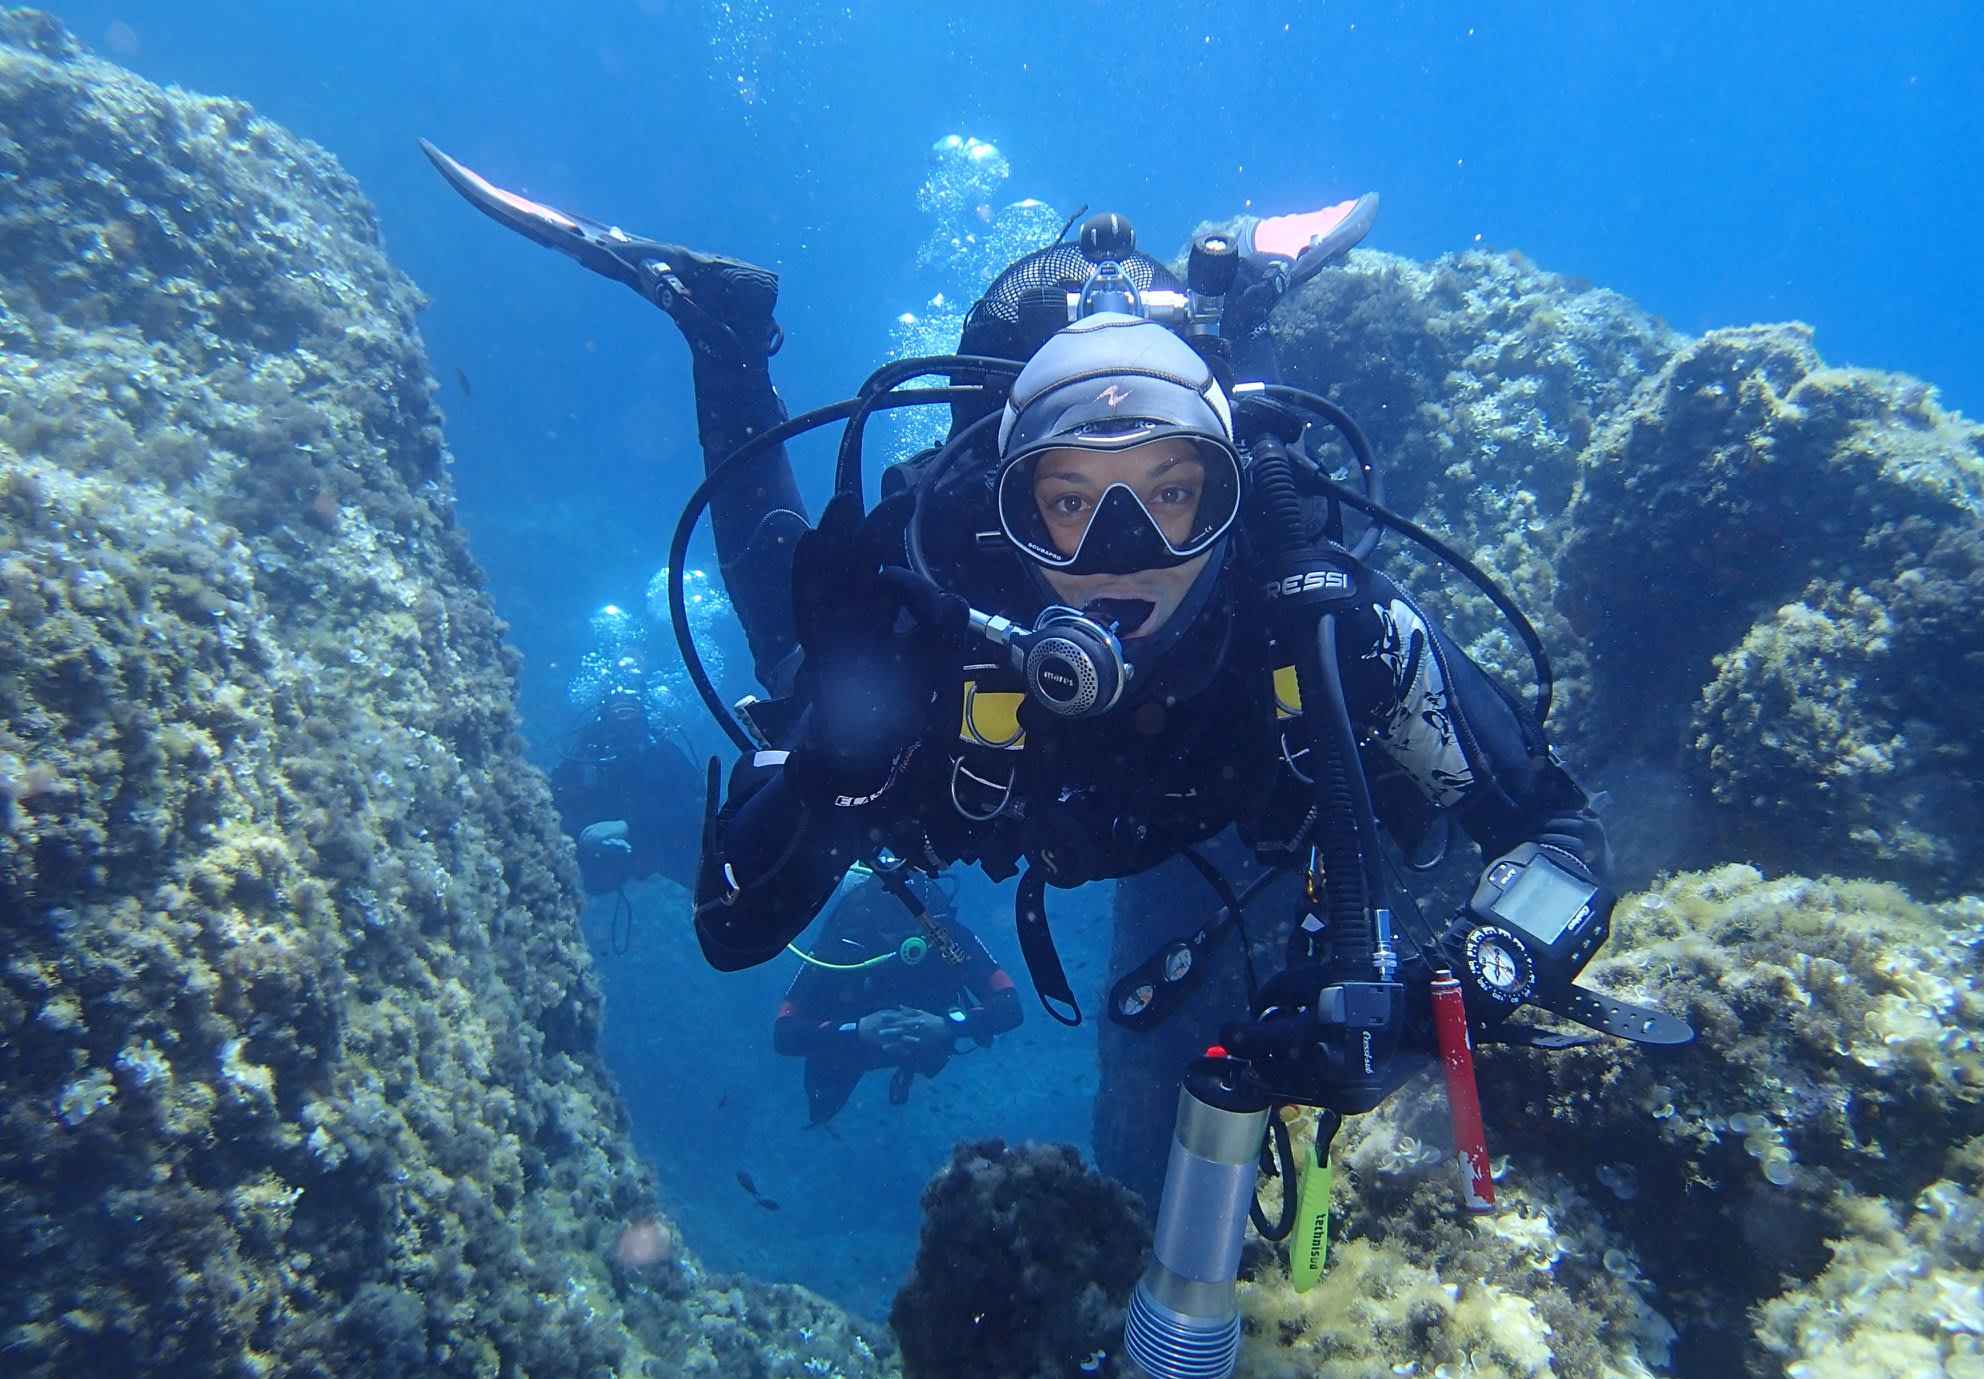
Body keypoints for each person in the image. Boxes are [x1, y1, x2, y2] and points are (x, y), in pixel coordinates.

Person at [425, 139, 1664, 1111]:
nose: (1123, 558)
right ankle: (726, 333)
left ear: (1229, 506)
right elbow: (734, 933)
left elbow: (1552, 837)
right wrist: (820, 774)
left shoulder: (1322, 628)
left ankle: (1233, 319)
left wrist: (1461, 980)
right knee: (795, 651)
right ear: (1005, 513)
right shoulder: (930, 629)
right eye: (1069, 505)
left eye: (1174, 497)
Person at [773, 867, 1021, 1125]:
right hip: (850, 1052)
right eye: (888, 922)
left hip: (925, 1055)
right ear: (868, 917)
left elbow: (1009, 1005)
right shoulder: (838, 947)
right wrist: (856, 1031)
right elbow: (784, 1033)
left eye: (907, 921)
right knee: (822, 1108)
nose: (899, 938)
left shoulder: (945, 936)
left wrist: (947, 1026)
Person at [549, 682, 703, 897]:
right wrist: (583, 836)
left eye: (631, 715)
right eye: (619, 714)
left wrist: (629, 826)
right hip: (599, 853)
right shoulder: (587, 754)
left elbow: (695, 809)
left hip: (660, 846)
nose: (625, 726)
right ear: (604, 722)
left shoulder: (663, 753)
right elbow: (555, 801)